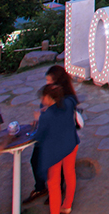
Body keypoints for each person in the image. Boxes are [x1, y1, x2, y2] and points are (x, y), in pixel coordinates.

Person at [25, 65, 77, 204]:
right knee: (35, 160)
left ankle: (58, 191)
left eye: (50, 81)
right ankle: (41, 187)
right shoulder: (51, 94)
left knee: (56, 167)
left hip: (57, 138)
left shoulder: (67, 99)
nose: (47, 84)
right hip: (46, 134)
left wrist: (42, 117)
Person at [33, 85, 79, 214]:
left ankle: (55, 211)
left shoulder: (46, 116)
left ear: (47, 98)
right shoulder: (69, 103)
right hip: (71, 144)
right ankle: (67, 205)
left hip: (55, 152)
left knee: (53, 183)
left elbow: (39, 136)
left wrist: (39, 118)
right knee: (70, 174)